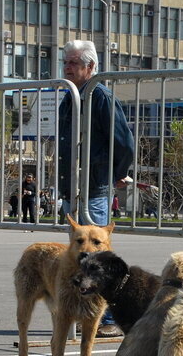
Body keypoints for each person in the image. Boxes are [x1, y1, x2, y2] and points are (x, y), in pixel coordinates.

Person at [57, 40, 135, 338]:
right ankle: (82, 314)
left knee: (97, 258)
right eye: (65, 62)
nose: (67, 67)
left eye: (74, 62)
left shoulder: (100, 96)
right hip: (74, 187)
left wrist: (117, 174)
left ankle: (107, 318)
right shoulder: (71, 96)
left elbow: (123, 141)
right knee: (79, 256)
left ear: (90, 67)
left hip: (94, 186)